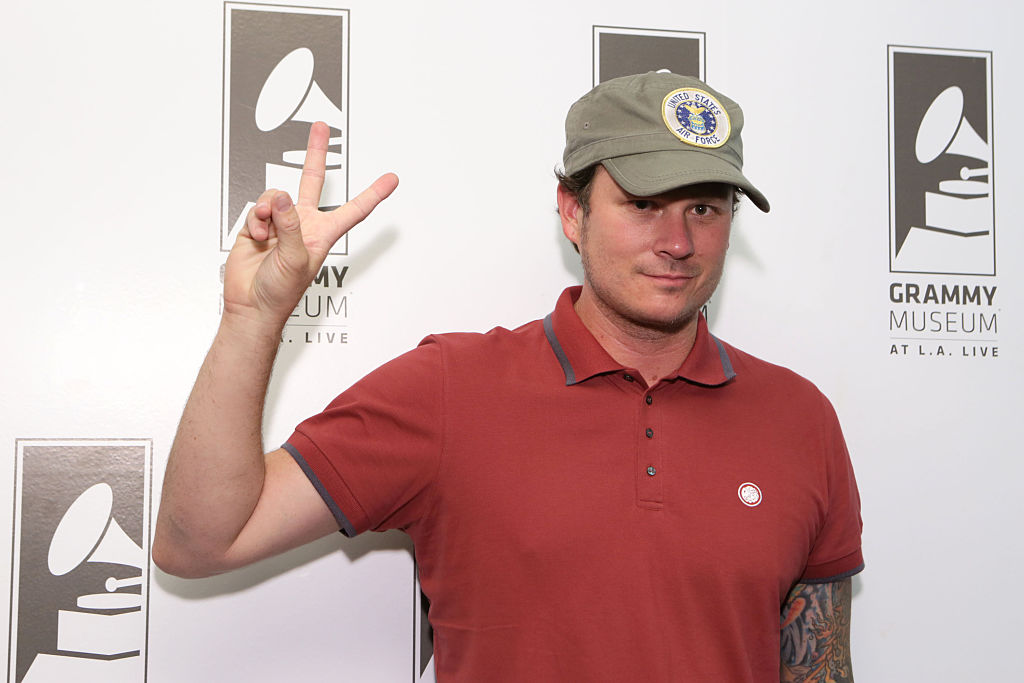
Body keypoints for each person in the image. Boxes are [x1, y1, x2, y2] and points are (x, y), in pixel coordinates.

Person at [153, 72, 863, 682]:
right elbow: (201, 540)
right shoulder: (450, 389)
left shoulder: (801, 419)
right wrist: (252, 318)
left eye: (704, 208)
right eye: (644, 204)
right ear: (572, 211)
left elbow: (819, 667)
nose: (678, 242)